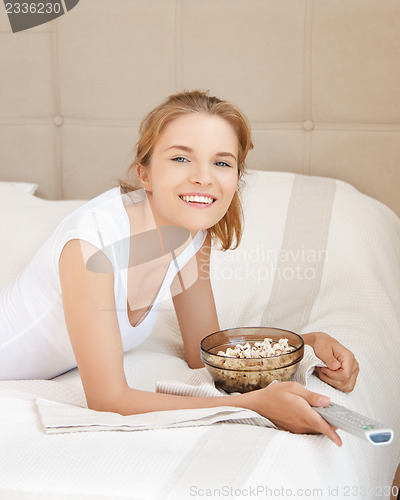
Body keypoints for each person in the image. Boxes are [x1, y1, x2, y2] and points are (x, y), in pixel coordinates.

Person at [0, 90, 359, 446]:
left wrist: (300, 345)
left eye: (221, 163)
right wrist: (251, 405)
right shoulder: (92, 245)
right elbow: (107, 400)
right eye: (181, 159)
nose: (203, 178)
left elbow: (203, 353)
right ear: (145, 174)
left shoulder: (192, 237)